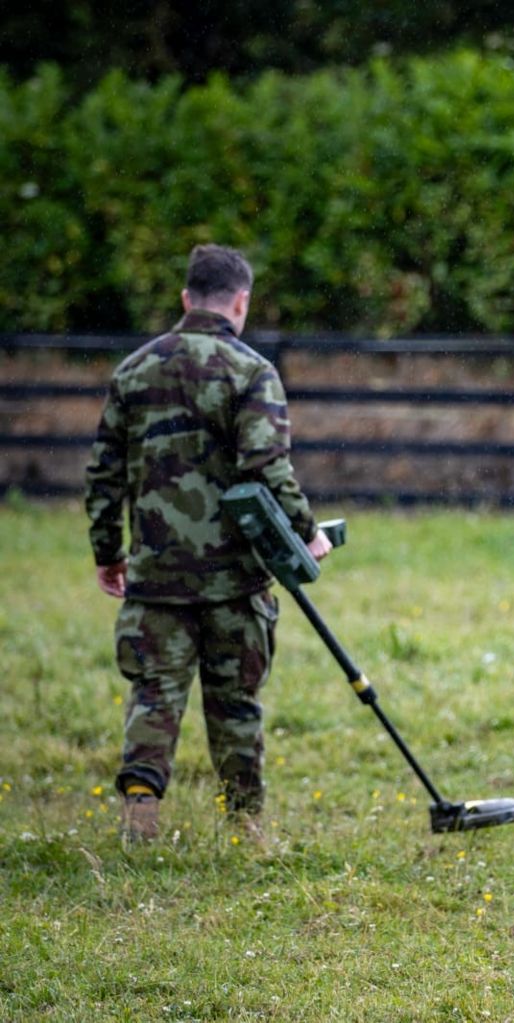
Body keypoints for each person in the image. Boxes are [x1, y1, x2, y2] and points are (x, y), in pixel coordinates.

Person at [85, 244, 331, 842]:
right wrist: (308, 533)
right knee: (235, 701)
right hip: (232, 578)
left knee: (154, 694)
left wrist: (107, 552)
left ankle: (140, 821)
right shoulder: (251, 373)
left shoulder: (133, 371)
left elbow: (103, 474)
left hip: (156, 574)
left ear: (185, 298)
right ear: (241, 301)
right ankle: (246, 827)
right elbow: (268, 467)